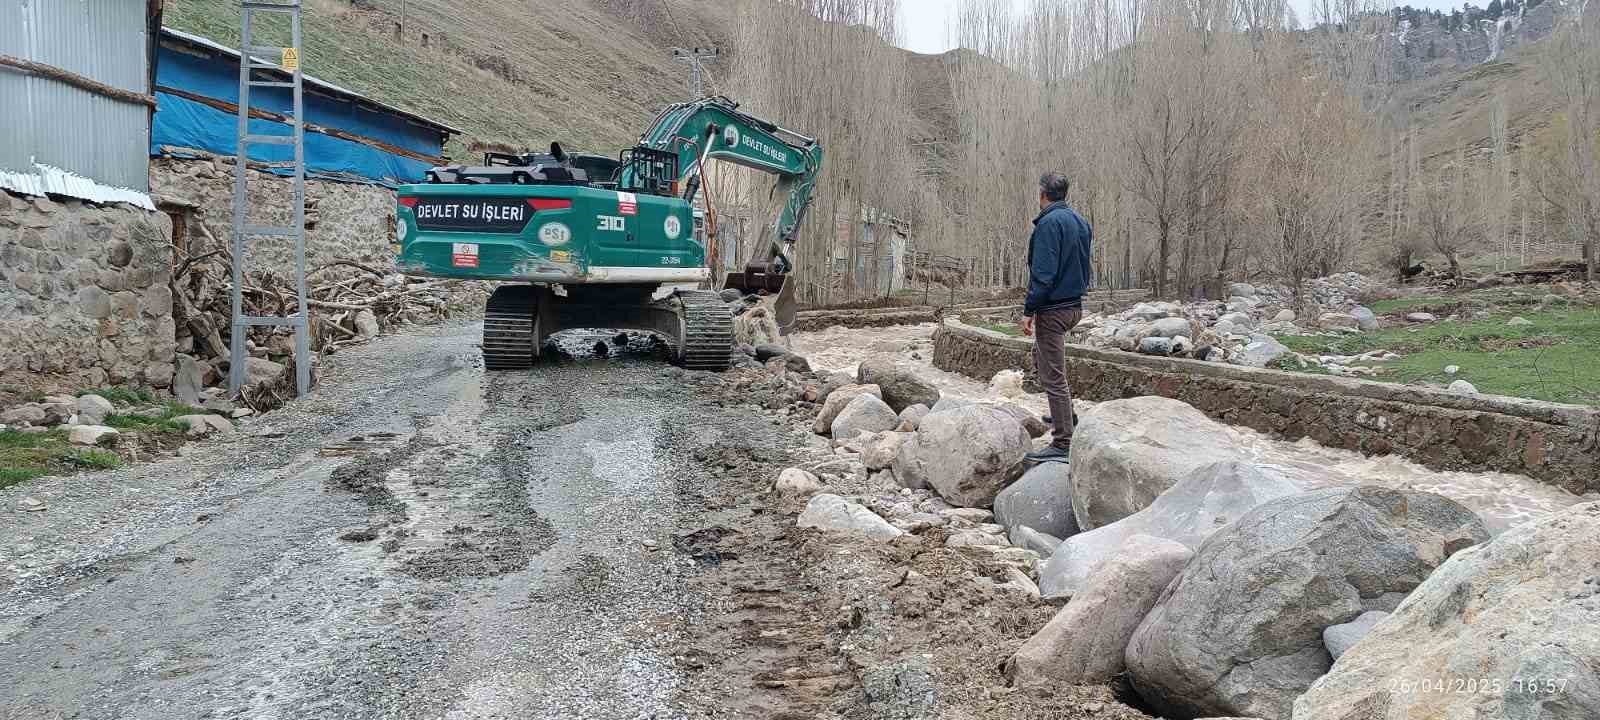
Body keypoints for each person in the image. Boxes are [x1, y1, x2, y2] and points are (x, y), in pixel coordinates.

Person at [1020, 172, 1092, 463]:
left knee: (1053, 375)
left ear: (1042, 194)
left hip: (1054, 308)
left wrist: (1029, 310)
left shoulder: (1049, 223)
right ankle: (1065, 414)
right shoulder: (1080, 221)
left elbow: (1044, 273)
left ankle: (1063, 440)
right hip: (1074, 306)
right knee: (1043, 359)